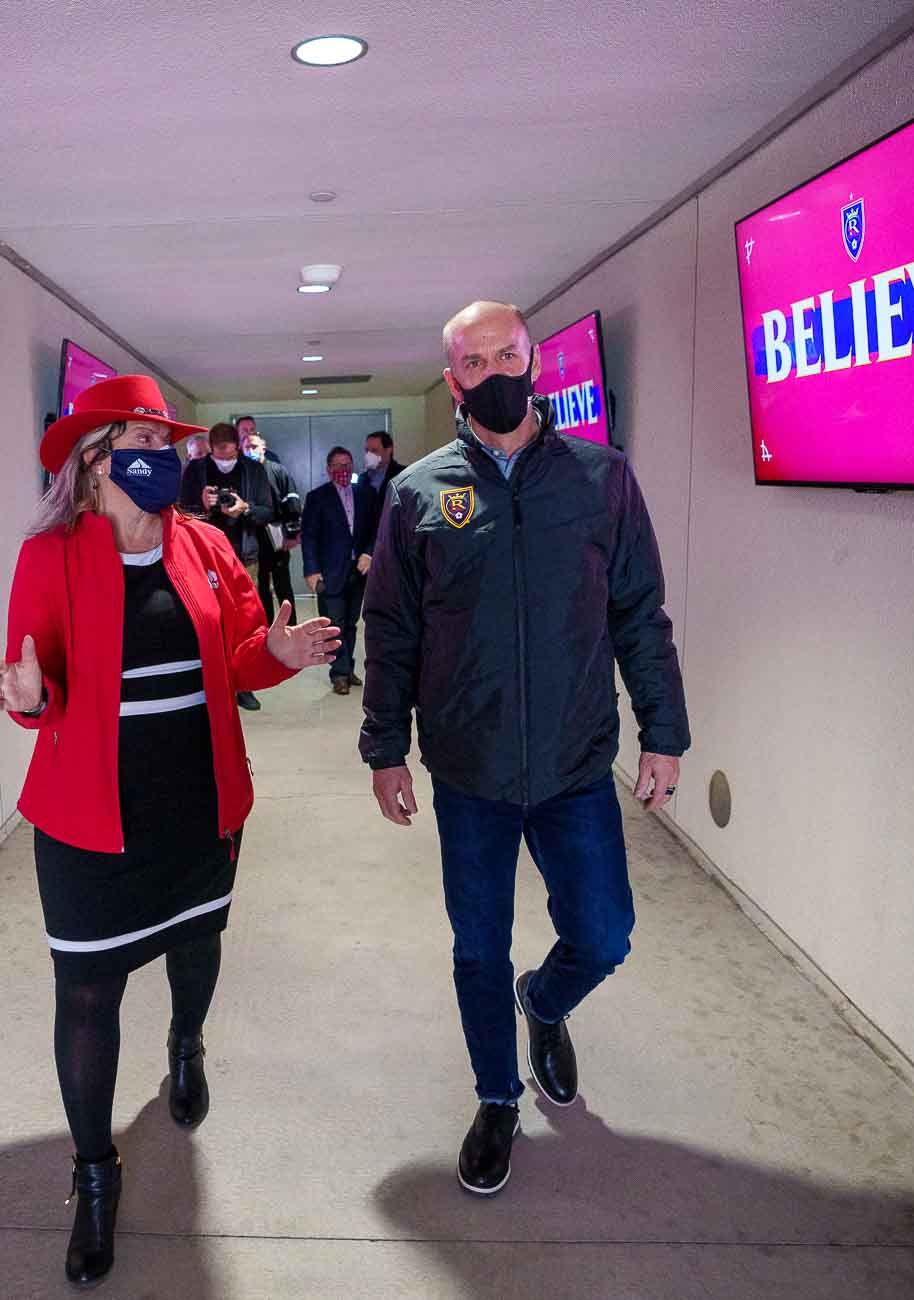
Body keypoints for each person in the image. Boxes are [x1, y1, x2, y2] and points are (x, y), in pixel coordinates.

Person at [0, 375, 338, 1283]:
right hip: (88, 824)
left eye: (163, 443)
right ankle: (94, 1178)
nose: (158, 458)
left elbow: (244, 651)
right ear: (92, 468)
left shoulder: (207, 546)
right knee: (87, 994)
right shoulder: (49, 558)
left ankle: (187, 1044)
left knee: (196, 945)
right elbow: (38, 682)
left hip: (198, 807)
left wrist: (283, 657)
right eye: (136, 443)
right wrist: (30, 699)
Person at [358, 302, 689, 1197]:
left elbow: (638, 614)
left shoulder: (600, 478)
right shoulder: (418, 493)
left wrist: (665, 732)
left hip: (576, 766)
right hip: (469, 770)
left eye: (508, 352)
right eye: (474, 359)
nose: (495, 369)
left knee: (605, 933)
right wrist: (385, 746)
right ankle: (496, 1098)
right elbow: (389, 629)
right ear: (453, 377)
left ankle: (543, 1005)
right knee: (477, 948)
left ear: (534, 358)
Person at [178, 422, 278, 710]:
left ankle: (243, 683)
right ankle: (213, 682)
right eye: (218, 453)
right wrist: (201, 505)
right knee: (208, 620)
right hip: (203, 557)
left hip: (244, 555)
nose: (223, 458)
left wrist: (244, 509)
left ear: (237, 446)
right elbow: (180, 514)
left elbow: (267, 511)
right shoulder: (196, 471)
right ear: (210, 447)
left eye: (228, 452)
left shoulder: (254, 470)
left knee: (245, 621)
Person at [299, 446, 378, 695]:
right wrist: (311, 571)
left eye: (347, 464)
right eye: (337, 465)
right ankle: (339, 674)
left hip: (359, 570)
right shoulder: (317, 497)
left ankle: (348, 667)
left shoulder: (366, 493)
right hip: (329, 572)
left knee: (352, 624)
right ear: (328, 469)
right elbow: (309, 537)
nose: (343, 469)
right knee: (334, 624)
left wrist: (368, 553)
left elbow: (377, 529)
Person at [237, 417, 303, 626]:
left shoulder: (277, 470)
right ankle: (264, 630)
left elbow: (292, 502)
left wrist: (292, 534)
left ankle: (290, 626)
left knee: (283, 585)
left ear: (264, 448)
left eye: (254, 446)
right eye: (247, 447)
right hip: (251, 539)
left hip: (277, 537)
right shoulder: (240, 472)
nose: (251, 450)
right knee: (260, 587)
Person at [361, 430, 407, 495]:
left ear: (388, 450)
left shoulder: (402, 475)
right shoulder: (363, 478)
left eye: (374, 450)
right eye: (367, 451)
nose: (369, 455)